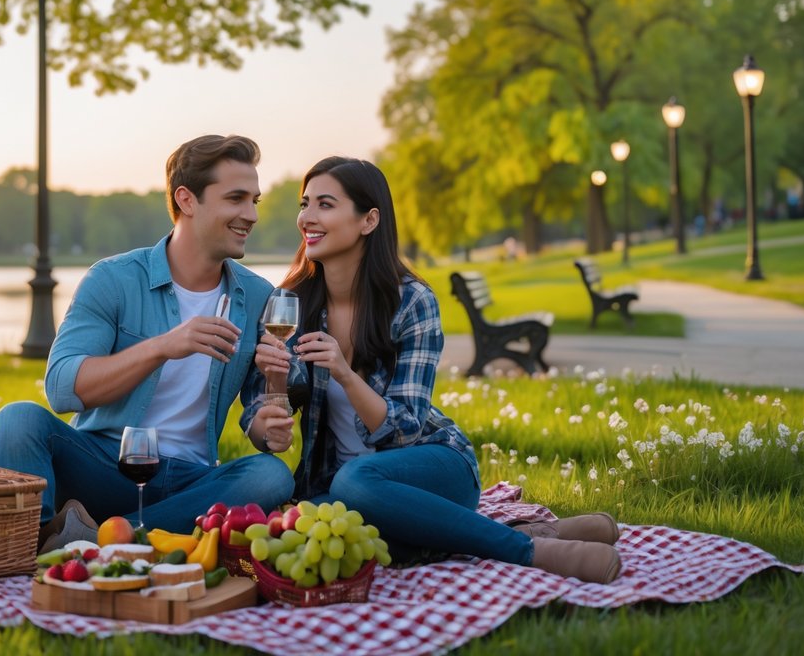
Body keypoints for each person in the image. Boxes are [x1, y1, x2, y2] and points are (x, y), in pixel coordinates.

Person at [244, 156, 621, 583]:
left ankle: (531, 550)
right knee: (320, 525)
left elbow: (403, 428)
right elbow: (266, 433)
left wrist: (345, 374)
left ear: (369, 220)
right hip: (338, 486)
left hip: (431, 467)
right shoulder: (290, 302)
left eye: (325, 205)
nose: (307, 218)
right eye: (304, 203)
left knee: (356, 483)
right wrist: (274, 389)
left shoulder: (412, 302)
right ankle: (514, 533)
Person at [0, 135, 295, 553]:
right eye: (236, 199)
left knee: (271, 475)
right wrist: (163, 346)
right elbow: (61, 389)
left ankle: (95, 541)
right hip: (105, 467)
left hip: (190, 482)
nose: (250, 214)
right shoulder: (113, 279)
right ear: (187, 200)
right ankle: (25, 552)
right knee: (18, 420)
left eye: (254, 201)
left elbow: (263, 434)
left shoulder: (259, 297)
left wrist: (273, 401)